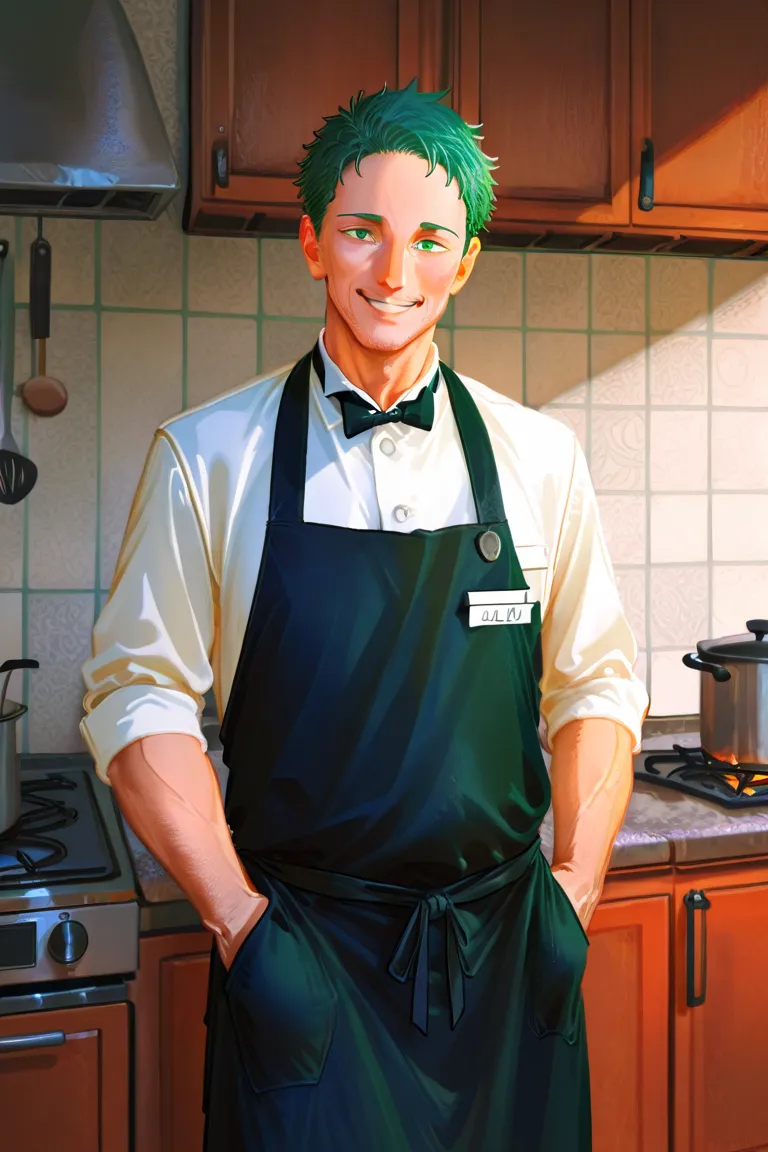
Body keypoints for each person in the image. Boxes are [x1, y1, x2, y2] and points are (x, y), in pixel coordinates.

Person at [81, 82, 649, 1151]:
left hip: (508, 959)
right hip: (306, 965)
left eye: (432, 239)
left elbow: (597, 682)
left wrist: (573, 889)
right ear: (310, 243)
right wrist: (240, 926)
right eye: (363, 233)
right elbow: (137, 696)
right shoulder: (208, 457)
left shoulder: (539, 458)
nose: (395, 274)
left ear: (467, 260)